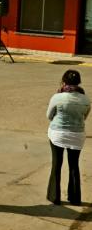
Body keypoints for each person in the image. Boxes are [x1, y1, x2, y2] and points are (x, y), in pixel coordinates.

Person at [46, 70, 90, 206]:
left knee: (56, 164)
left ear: (64, 82)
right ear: (78, 83)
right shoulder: (86, 99)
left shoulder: (57, 97)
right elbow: (84, 117)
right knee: (74, 165)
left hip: (58, 134)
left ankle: (54, 197)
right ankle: (75, 198)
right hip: (77, 135)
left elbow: (49, 115)